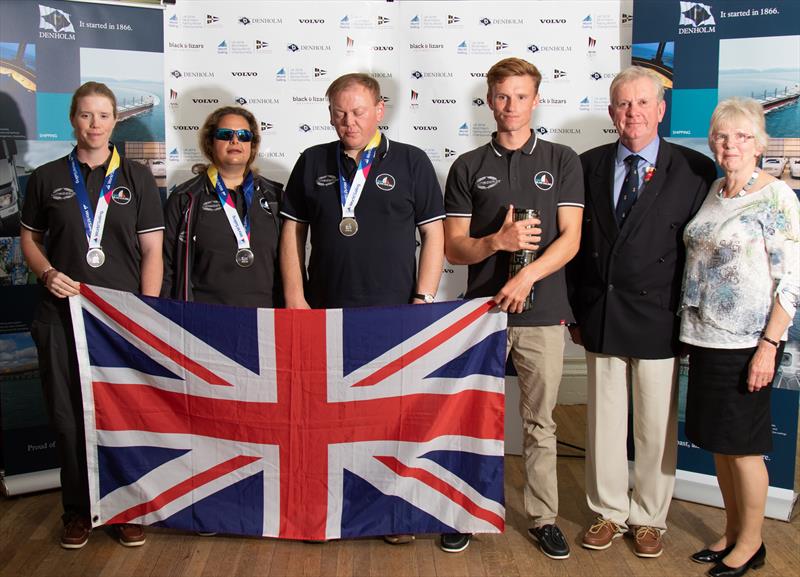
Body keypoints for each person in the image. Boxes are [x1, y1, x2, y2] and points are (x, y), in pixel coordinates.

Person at [279, 72, 445, 543]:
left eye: (357, 111)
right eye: (338, 112)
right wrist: (295, 295)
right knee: (323, 416)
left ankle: (390, 512)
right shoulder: (312, 161)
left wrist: (423, 299)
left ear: (379, 110)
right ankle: (326, 506)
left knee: (387, 416)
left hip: (394, 314)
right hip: (324, 311)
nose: (347, 122)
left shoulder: (411, 161)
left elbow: (434, 235)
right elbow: (293, 232)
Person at [567, 66, 716, 558]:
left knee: (655, 424)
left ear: (660, 109)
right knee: (605, 421)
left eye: (641, 103)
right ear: (612, 112)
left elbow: (703, 253)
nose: (632, 113)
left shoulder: (695, 170)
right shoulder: (585, 165)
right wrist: (574, 311)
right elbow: (574, 244)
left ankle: (650, 517)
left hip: (662, 314)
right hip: (602, 309)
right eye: (623, 104)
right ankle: (608, 511)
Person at [443, 57, 583, 557]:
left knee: (540, 423)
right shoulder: (467, 166)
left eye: (521, 96)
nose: (512, 106)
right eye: (503, 96)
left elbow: (571, 240)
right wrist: (497, 242)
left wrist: (525, 274)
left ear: (536, 99)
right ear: (489, 101)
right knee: (471, 416)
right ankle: (463, 509)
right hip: (481, 315)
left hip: (542, 314)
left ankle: (543, 516)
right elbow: (453, 248)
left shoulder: (562, 160)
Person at [20, 81, 164, 549]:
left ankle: (126, 509)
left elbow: (152, 251)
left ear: (115, 120)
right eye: (85, 115)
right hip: (61, 316)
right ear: (73, 119)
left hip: (119, 320)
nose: (95, 124)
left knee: (123, 414)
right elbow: (29, 242)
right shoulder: (45, 177)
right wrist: (45, 274)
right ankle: (78, 511)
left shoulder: (138, 177)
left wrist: (145, 315)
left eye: (103, 115)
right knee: (67, 419)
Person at [679, 97, 798, 577]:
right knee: (722, 444)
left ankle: (752, 544)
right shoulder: (714, 190)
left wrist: (769, 346)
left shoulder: (776, 197)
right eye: (723, 136)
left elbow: (792, 281)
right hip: (705, 338)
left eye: (742, 136)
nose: (731, 145)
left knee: (745, 447)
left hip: (750, 343)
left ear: (760, 143)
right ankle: (732, 532)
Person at [162, 106, 283, 307]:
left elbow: (292, 264)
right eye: (225, 134)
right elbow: (166, 267)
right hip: (204, 319)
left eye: (244, 135)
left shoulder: (275, 197)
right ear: (210, 143)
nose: (235, 141)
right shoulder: (185, 198)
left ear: (252, 145)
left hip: (266, 319)